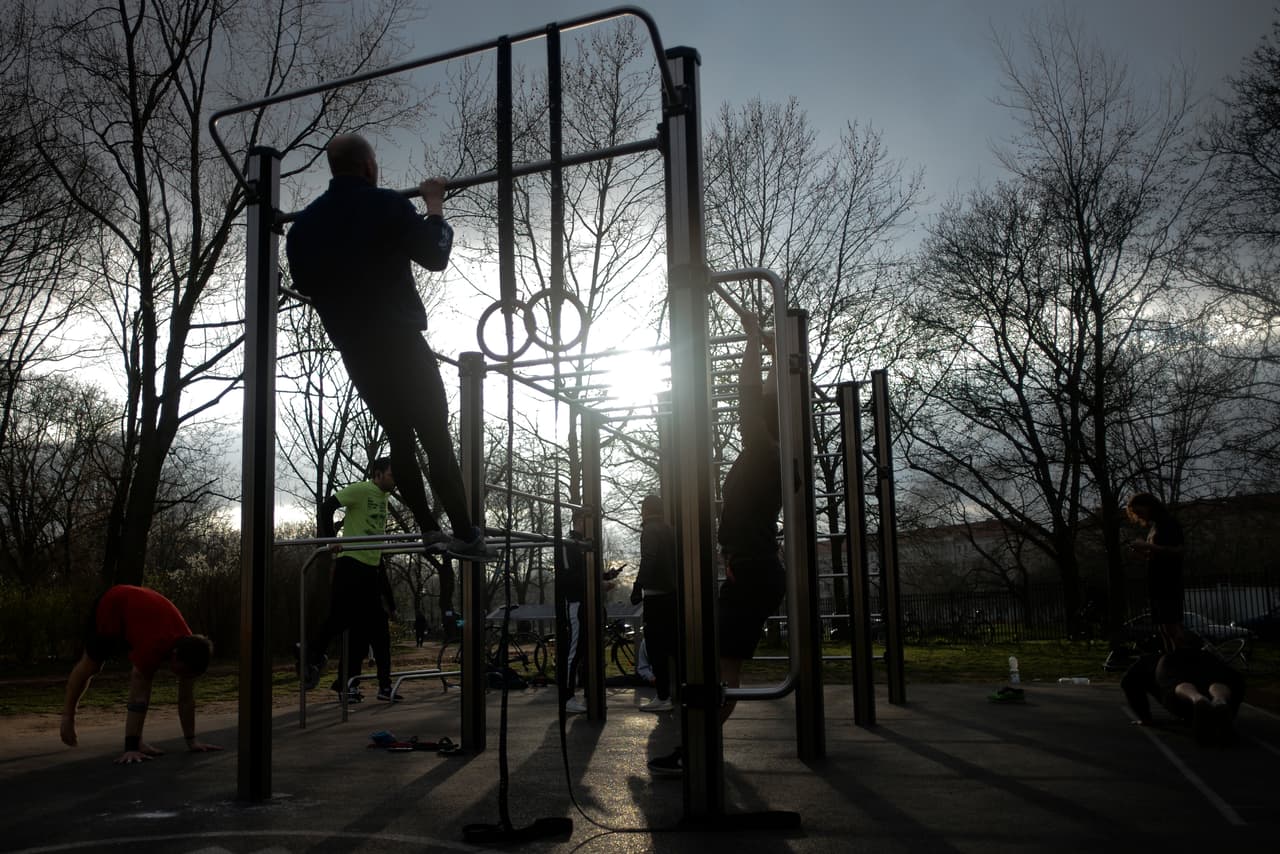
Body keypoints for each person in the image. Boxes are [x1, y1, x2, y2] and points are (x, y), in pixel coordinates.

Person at [285, 133, 491, 563]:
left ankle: (430, 530)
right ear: (367, 166)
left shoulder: (303, 226)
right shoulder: (385, 205)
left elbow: (305, 284)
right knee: (435, 435)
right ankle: (466, 533)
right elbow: (435, 255)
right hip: (400, 342)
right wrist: (434, 204)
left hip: (356, 351)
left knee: (399, 434)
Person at [649, 313, 786, 776]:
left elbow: (752, 393)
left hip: (753, 573)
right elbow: (767, 393)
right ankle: (697, 747)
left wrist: (752, 341)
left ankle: (696, 751)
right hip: (752, 569)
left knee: (720, 673)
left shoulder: (766, 454)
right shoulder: (771, 454)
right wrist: (771, 351)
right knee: (716, 668)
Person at [60, 585, 221, 764]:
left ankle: (137, 740)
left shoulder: (192, 648)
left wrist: (192, 741)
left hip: (140, 612)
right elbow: (138, 693)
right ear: (174, 655)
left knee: (147, 676)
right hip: (113, 604)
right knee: (92, 665)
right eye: (182, 671)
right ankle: (68, 716)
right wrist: (131, 749)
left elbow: (186, 699)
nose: (181, 676)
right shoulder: (155, 644)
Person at [304, 456, 403, 702]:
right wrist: (331, 539)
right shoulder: (361, 490)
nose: (395, 480)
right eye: (392, 475)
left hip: (371, 568)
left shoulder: (384, 496)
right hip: (350, 564)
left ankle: (381, 686)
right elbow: (327, 507)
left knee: (377, 630)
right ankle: (311, 655)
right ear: (378, 474)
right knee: (340, 618)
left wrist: (389, 600)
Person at [1121, 635, 1245, 746]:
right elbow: (1235, 680)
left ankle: (1197, 699)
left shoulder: (1153, 660)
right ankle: (1219, 700)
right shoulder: (1207, 657)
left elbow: (1128, 681)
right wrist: (1233, 709)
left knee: (1176, 682)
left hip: (1178, 689)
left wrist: (1145, 717)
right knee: (1216, 679)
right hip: (1207, 662)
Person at [632, 494, 677, 713]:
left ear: (646, 510)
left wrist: (637, 585)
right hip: (672, 594)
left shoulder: (650, 531)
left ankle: (662, 695)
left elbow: (648, 558)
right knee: (672, 644)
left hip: (655, 595)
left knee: (655, 645)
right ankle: (678, 692)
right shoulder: (670, 530)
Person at [1126, 492, 1185, 651]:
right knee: (1163, 628)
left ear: (1149, 506)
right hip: (1157, 581)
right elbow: (1157, 554)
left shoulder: (1168, 523)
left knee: (1172, 626)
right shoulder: (1155, 526)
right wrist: (1143, 554)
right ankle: (1169, 663)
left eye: (1140, 512)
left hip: (1169, 581)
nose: (1138, 516)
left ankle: (1182, 663)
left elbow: (1178, 550)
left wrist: (1148, 547)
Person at [556, 508, 590, 714]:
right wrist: (595, 582)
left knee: (583, 650)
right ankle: (568, 697)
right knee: (574, 652)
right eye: (589, 520)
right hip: (576, 603)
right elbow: (569, 577)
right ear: (578, 520)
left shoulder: (584, 545)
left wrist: (603, 577)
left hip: (585, 603)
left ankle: (581, 691)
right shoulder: (569, 544)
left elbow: (584, 573)